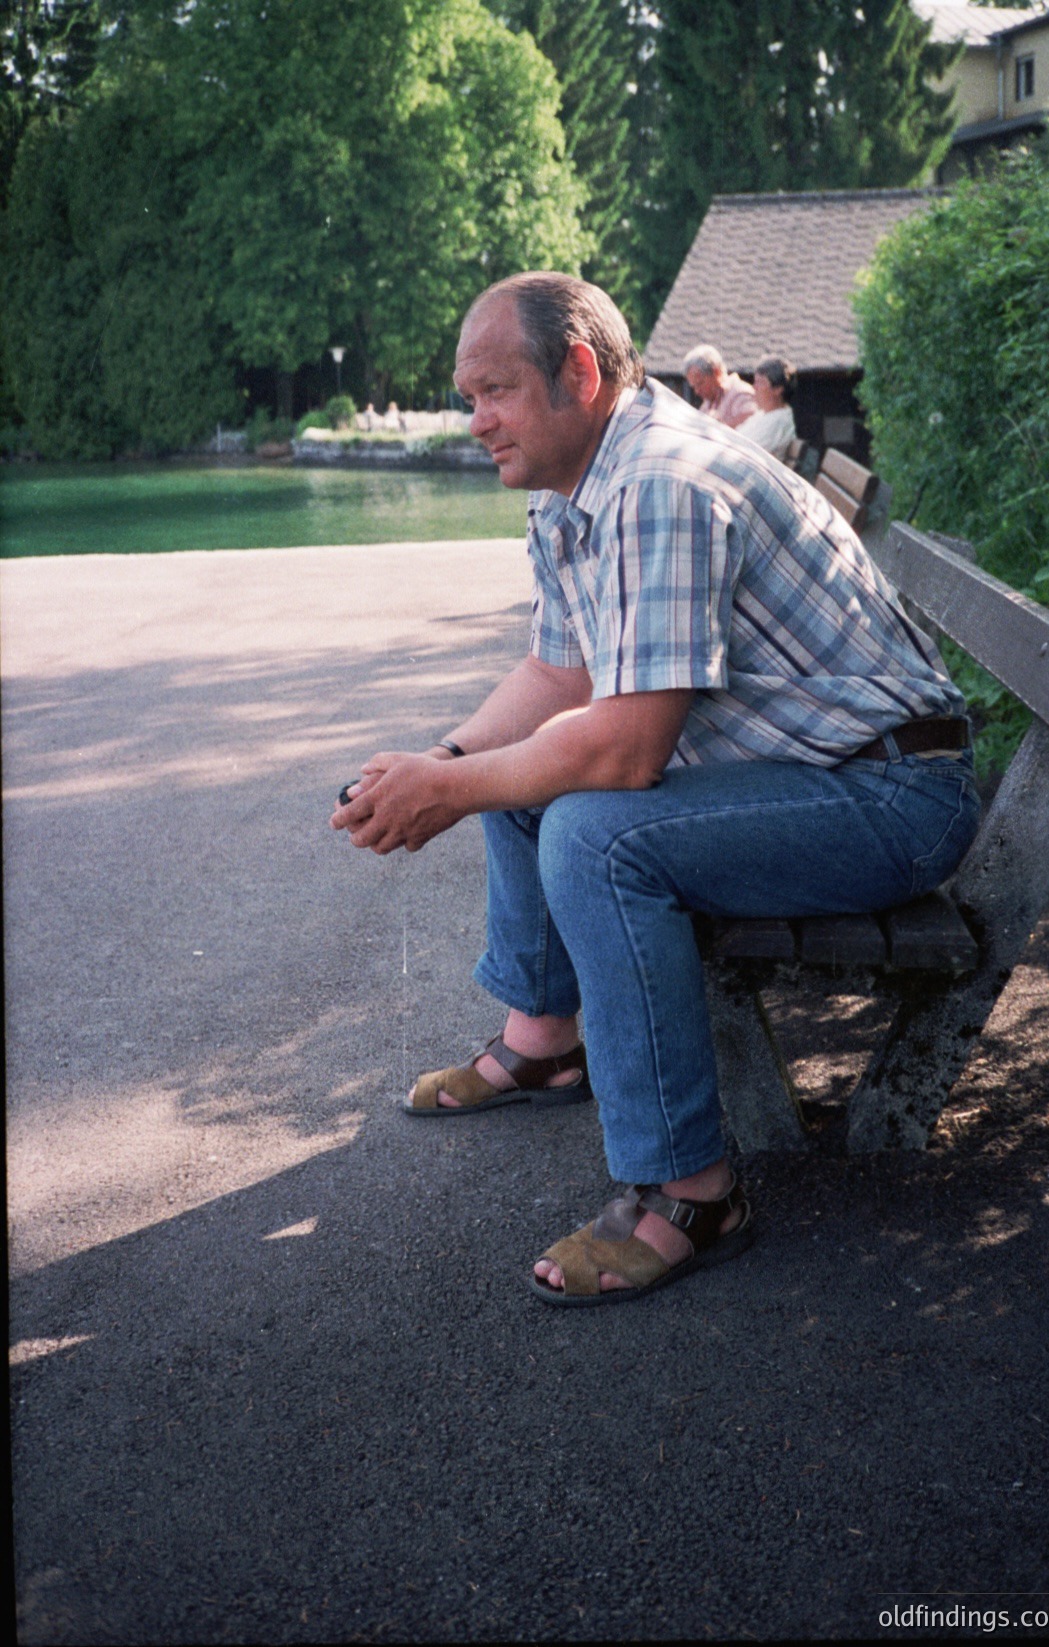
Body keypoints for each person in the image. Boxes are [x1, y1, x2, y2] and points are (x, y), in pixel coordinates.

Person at [331, 272, 980, 1307]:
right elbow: (560, 675)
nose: (474, 421)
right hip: (810, 771)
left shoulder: (659, 484)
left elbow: (627, 751)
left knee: (594, 831)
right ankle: (545, 1046)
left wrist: (451, 791)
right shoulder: (575, 489)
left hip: (891, 797)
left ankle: (693, 1194)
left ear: (578, 372)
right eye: (468, 397)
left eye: (492, 391)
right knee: (530, 771)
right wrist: (446, 765)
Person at [736, 355, 797, 461]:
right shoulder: (763, 415)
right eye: (755, 382)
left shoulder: (778, 422)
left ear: (778, 389)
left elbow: (742, 453)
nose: (754, 387)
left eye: (760, 382)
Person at [682, 345, 756, 429]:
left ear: (717, 372)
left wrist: (717, 426)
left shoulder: (742, 395)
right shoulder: (707, 404)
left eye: (700, 383)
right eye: (694, 387)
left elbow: (751, 429)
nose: (697, 391)